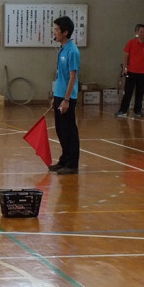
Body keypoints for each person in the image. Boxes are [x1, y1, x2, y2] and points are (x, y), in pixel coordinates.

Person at [48, 15, 81, 175]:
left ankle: (72, 164)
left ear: (65, 32)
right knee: (61, 130)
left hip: (68, 98)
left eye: (56, 30)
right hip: (60, 95)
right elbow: (60, 76)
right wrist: (56, 97)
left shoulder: (72, 51)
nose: (54, 33)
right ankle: (64, 160)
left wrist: (66, 100)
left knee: (69, 130)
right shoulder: (62, 49)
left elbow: (73, 77)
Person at [117, 24, 144, 118]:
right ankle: (123, 110)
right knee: (128, 92)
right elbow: (126, 56)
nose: (142, 34)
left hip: (142, 73)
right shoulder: (131, 43)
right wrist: (124, 68)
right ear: (137, 32)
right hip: (131, 72)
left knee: (140, 93)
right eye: (141, 32)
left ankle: (137, 110)